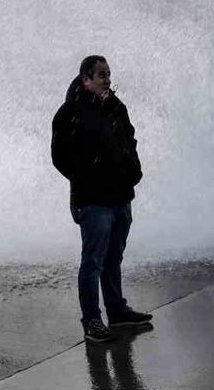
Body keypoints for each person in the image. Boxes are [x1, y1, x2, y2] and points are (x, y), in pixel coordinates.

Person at [51, 55, 153, 343]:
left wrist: (133, 170)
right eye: (101, 75)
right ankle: (92, 321)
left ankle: (117, 311)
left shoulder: (116, 106)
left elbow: (129, 139)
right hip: (92, 201)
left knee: (113, 257)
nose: (107, 79)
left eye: (108, 74)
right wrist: (89, 178)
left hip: (120, 196)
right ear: (86, 79)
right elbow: (60, 157)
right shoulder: (70, 112)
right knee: (92, 262)